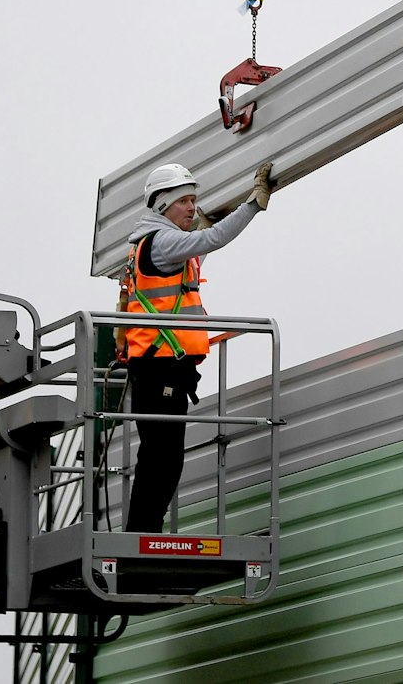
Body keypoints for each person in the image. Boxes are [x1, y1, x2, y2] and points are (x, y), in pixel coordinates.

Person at [120, 159, 275, 533]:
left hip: (161, 367)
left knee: (161, 457)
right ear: (162, 205)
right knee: (163, 457)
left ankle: (143, 532)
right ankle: (143, 534)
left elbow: (198, 249)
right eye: (185, 201)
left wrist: (210, 220)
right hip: (160, 368)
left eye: (194, 200)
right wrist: (253, 203)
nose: (192, 208)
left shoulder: (157, 243)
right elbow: (212, 239)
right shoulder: (161, 241)